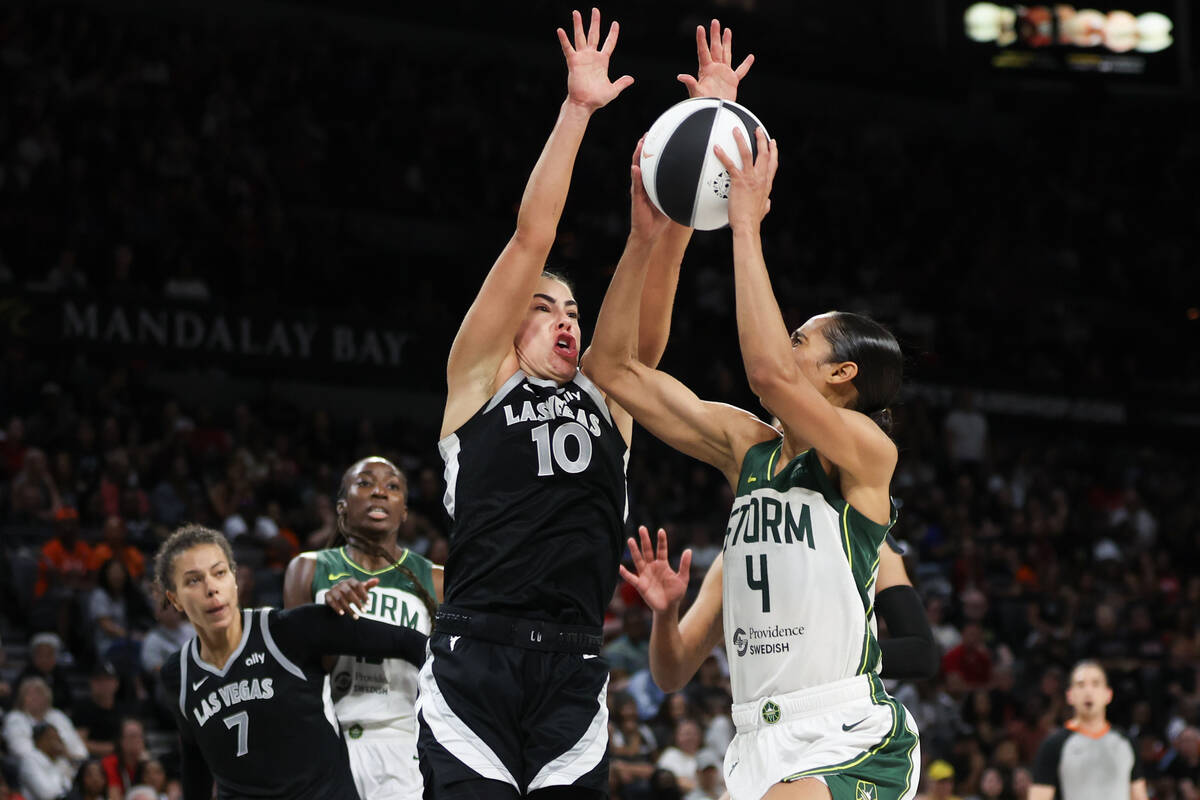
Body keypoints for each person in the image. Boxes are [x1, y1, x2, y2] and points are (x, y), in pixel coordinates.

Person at [416, 11, 752, 800]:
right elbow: (532, 235)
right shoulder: (478, 379)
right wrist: (577, 112)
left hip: (573, 665)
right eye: (545, 307)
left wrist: (705, 132)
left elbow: (655, 287)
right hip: (476, 661)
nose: (565, 317)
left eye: (574, 308)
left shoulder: (611, 394)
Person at [582, 126, 920, 798]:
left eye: (801, 340)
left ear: (842, 375)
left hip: (845, 732)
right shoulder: (747, 451)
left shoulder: (866, 454)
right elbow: (610, 367)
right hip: (753, 743)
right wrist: (647, 237)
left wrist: (744, 224)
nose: (783, 347)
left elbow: (769, 375)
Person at [154, 524, 427, 799]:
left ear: (234, 579)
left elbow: (407, 642)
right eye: (193, 580)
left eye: (219, 573)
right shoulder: (178, 674)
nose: (211, 588)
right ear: (174, 599)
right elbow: (194, 759)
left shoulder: (289, 631)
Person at [282, 457, 441, 799]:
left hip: (405, 743)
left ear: (404, 512)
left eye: (393, 486)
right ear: (343, 505)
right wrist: (330, 618)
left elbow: (445, 674)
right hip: (331, 740)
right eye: (365, 483)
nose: (380, 492)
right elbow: (298, 677)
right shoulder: (307, 568)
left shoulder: (437, 579)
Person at [1029, 660, 1148, 800]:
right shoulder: (1053, 745)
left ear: (1108, 694)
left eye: (1096, 684)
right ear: (1070, 695)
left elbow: (1139, 795)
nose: (1088, 691)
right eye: (1080, 685)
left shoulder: (1126, 742)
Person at [3, 677, 88, 763]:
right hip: (33, 766)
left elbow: (78, 748)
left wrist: (73, 758)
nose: (35, 698)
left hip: (66, 763)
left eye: (40, 693)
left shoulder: (57, 715)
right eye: (30, 694)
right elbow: (21, 750)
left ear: (48, 697)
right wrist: (51, 753)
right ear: (22, 698)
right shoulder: (15, 718)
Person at [17, 723, 74, 800]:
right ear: (39, 741)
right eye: (52, 737)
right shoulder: (30, 760)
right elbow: (46, 795)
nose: (58, 742)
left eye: (58, 738)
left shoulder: (60, 761)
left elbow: (71, 789)